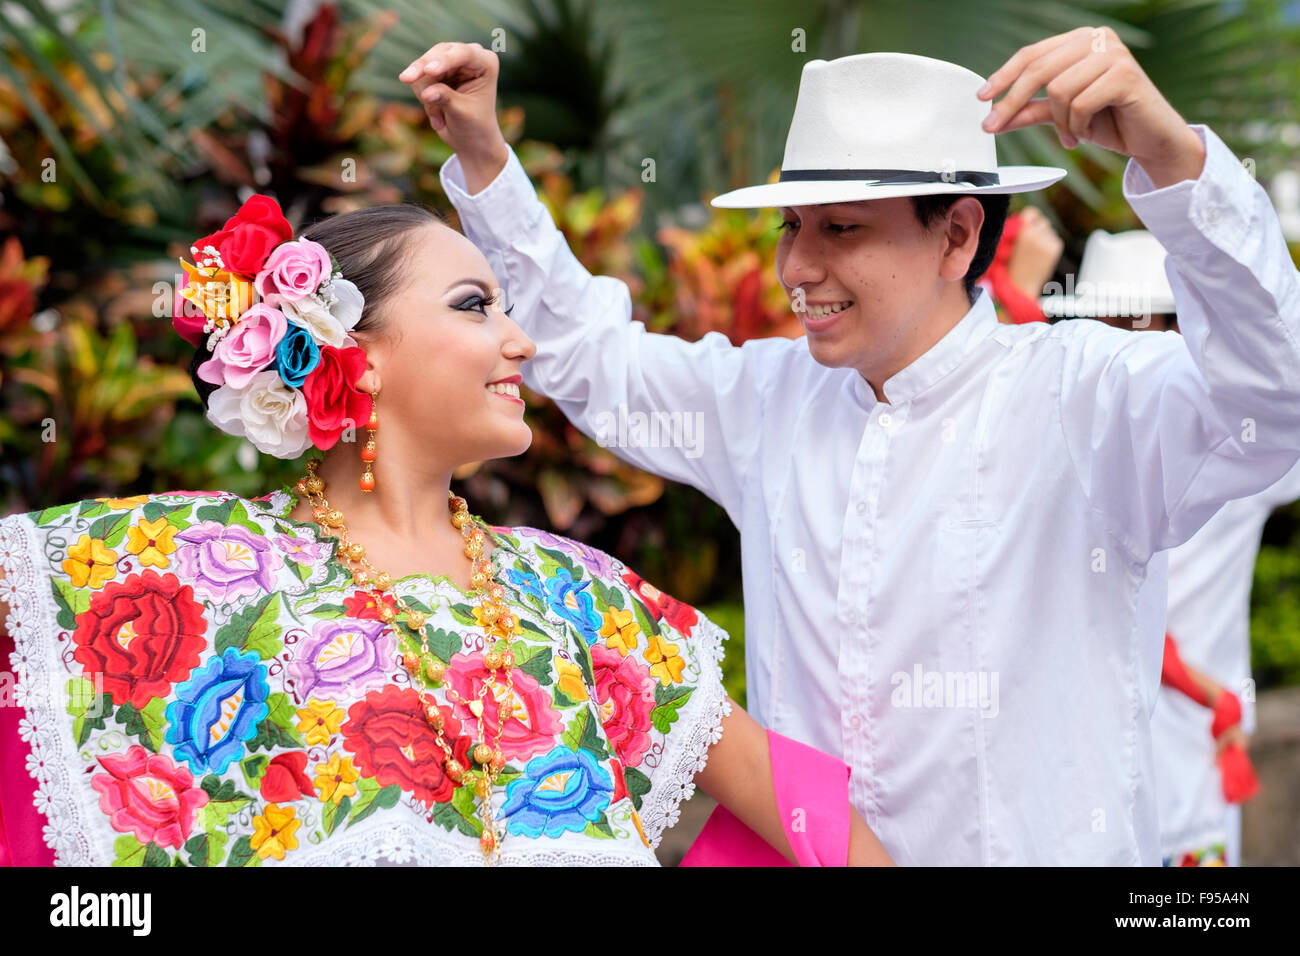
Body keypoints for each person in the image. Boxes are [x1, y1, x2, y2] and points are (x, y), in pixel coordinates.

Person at [404, 30, 1300, 864]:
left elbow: (1277, 394)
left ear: (956, 235)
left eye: (842, 229)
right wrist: (486, 160)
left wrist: (1176, 162)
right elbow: (596, 364)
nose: (796, 269)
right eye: (793, 226)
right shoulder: (771, 398)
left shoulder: (1090, 396)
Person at [0, 189, 892, 866]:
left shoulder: (576, 594)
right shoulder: (195, 567)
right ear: (358, 350)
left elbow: (801, 807)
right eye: (476, 305)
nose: (522, 342)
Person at [1038, 228, 1300, 867]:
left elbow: (1282, 388)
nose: (1096, 341)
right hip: (1078, 788)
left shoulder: (1238, 442)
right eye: (1087, 322)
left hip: (1188, 774)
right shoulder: (1056, 442)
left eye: (1116, 322)